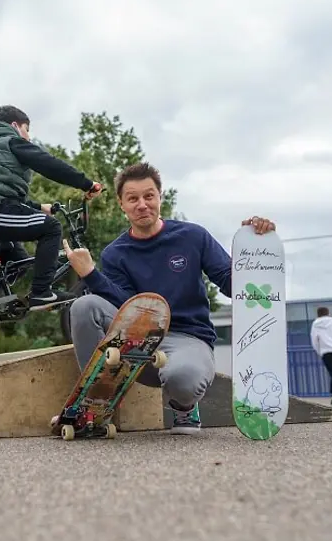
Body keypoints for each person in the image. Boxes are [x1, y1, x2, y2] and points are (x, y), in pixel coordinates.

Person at [61, 162, 277, 434]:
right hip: (138, 343)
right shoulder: (116, 254)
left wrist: (253, 250)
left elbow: (230, 283)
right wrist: (91, 274)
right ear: (122, 204)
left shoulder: (192, 236)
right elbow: (127, 306)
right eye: (133, 198)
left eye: (149, 196)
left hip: (188, 338)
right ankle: (94, 403)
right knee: (84, 305)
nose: (142, 204)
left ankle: (185, 408)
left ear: (159, 197)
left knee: (183, 380)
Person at [0, 105, 103, 308]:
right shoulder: (12, 142)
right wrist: (86, 183)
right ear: (15, 126)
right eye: (27, 130)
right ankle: (41, 292)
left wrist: (40, 206)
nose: (29, 137)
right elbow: (48, 164)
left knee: (17, 260)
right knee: (51, 227)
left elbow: (4, 194)